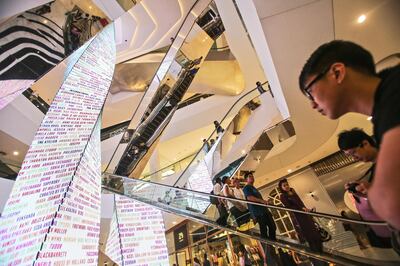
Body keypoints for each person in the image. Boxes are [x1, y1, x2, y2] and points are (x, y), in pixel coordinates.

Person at [299, 40, 400, 230]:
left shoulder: (394, 96)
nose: (312, 105)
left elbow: (392, 205)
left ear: (337, 72)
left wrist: (379, 194)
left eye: (310, 93)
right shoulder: (384, 111)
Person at [338, 128, 393, 248]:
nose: (353, 158)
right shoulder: (375, 169)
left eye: (353, 153)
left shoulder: (392, 158)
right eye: (349, 156)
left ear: (365, 143)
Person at [278, 179, 323, 253]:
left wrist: (306, 209)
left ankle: (320, 250)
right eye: (284, 185)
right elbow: (289, 207)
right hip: (298, 216)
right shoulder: (283, 196)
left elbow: (300, 203)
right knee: (308, 234)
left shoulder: (292, 191)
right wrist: (302, 208)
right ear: (281, 187)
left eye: (287, 184)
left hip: (305, 214)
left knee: (314, 232)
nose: (286, 186)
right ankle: (315, 251)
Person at [242, 173, 278, 265]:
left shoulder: (254, 188)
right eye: (250, 176)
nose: (252, 177)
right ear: (246, 179)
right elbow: (250, 198)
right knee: (264, 230)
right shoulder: (247, 188)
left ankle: (271, 244)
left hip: (264, 211)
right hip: (258, 212)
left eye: (252, 176)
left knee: (272, 226)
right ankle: (268, 251)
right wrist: (262, 201)